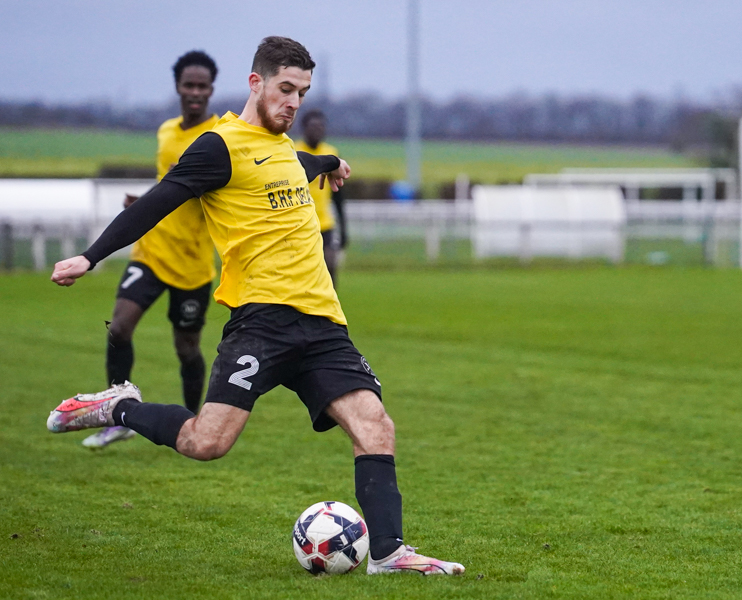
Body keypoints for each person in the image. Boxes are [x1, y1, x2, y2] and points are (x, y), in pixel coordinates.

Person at [47, 36, 464, 576]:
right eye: (285, 89)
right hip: (260, 324)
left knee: (375, 425)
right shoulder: (218, 147)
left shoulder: (284, 148)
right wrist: (91, 256)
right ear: (256, 83)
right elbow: (156, 202)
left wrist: (332, 161)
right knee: (207, 442)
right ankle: (119, 406)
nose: (294, 102)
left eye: (302, 93)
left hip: (323, 325)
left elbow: (299, 163)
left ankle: (388, 553)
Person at [82, 50, 219, 449]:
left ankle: (192, 425)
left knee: (187, 348)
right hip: (151, 251)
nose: (195, 92)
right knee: (119, 327)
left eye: (203, 86)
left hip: (193, 263)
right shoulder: (165, 132)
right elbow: (169, 186)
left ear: (211, 90)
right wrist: (143, 201)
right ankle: (118, 415)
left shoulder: (219, 137)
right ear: (178, 87)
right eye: (189, 85)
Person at [295, 110, 347, 287]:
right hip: (300, 224)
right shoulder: (293, 151)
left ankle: (331, 301)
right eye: (313, 127)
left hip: (325, 223)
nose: (317, 131)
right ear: (304, 129)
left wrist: (344, 228)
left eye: (321, 127)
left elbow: (338, 196)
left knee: (330, 264)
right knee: (302, 272)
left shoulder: (331, 153)